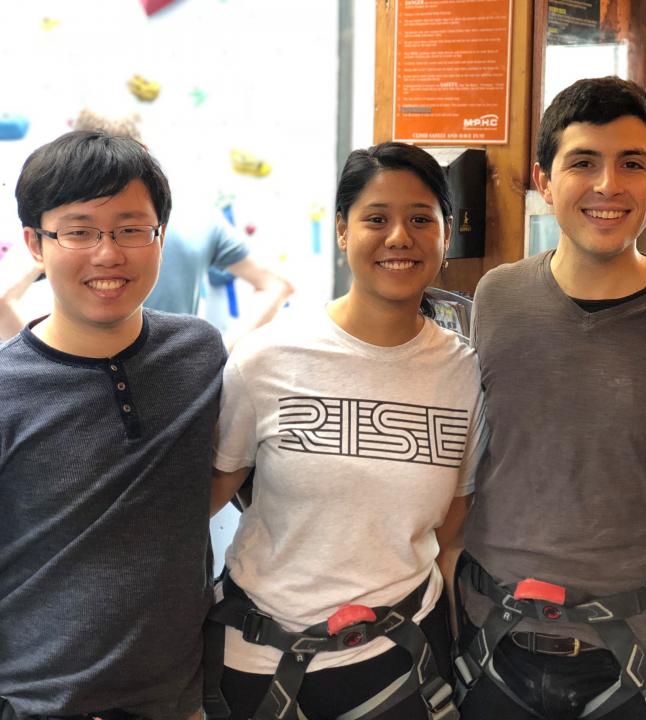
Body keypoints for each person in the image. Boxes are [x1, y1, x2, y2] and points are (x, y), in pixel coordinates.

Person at [454, 76, 646, 720]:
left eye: (631, 164)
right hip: (495, 645)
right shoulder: (498, 298)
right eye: (583, 161)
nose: (609, 184)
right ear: (544, 181)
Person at [205, 141, 486, 720]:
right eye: (376, 219)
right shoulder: (267, 359)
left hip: (403, 661)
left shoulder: (464, 372)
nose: (399, 237)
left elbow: (453, 518)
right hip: (260, 660)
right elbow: (208, 495)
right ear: (341, 230)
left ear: (445, 232)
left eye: (420, 219)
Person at [0, 131, 226, 718]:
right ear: (35, 243)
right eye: (79, 231)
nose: (107, 254)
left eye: (130, 229)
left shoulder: (200, 354)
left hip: (179, 701)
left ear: (159, 237)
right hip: (36, 702)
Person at [73, 108, 294, 348]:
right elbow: (276, 284)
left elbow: (276, 285)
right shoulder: (198, 216)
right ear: (145, 152)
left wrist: (217, 353)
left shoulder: (60, 226)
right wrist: (220, 352)